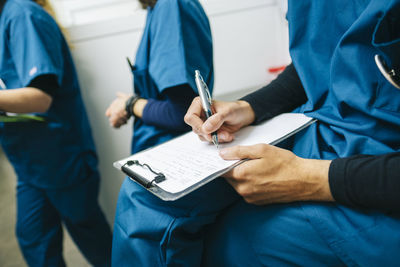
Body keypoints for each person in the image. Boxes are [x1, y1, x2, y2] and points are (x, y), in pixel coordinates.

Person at [184, 0, 400, 266]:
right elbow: (320, 58)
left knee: (237, 240)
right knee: (147, 198)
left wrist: (311, 179)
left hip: (377, 175)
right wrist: (250, 106)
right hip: (325, 135)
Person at [105, 0, 235, 265]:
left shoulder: (171, 6)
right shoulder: (158, 9)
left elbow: (181, 114)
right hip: (155, 155)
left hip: (175, 163)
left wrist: (130, 104)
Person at [0, 0, 112, 266]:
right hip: (29, 163)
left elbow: (40, 97)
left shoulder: (22, 14)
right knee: (34, 240)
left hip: (61, 159)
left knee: (93, 240)